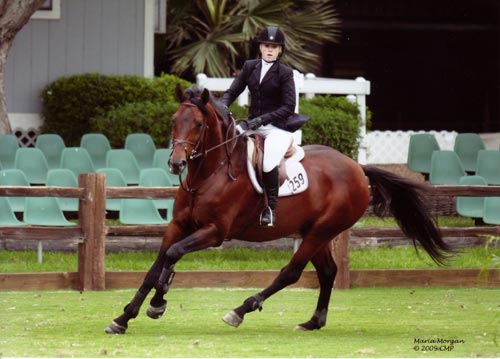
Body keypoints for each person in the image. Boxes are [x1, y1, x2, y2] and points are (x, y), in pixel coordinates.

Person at [221, 26, 296, 227]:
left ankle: (270, 210)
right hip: (252, 124)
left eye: (274, 46)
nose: (270, 49)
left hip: (277, 128)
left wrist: (262, 120)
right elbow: (233, 90)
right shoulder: (249, 66)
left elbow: (289, 107)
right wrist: (222, 105)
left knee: (268, 161)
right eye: (266, 45)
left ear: (280, 50)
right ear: (260, 47)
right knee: (226, 143)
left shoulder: (285, 73)